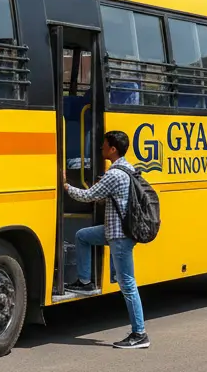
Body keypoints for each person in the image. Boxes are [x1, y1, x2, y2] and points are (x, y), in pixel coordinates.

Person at [63, 130, 148, 350]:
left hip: (119, 236)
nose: (101, 148)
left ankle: (139, 334)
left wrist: (65, 186)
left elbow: (88, 196)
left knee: (128, 284)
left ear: (112, 149)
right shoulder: (129, 169)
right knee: (82, 236)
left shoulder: (114, 174)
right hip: (115, 230)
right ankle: (84, 281)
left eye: (104, 145)